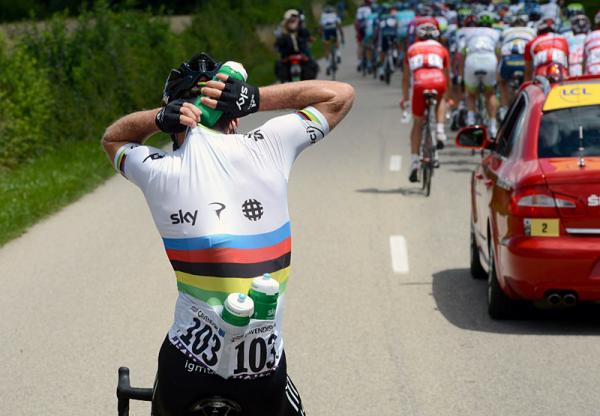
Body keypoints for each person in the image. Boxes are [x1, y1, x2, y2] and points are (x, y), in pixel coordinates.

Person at [101, 53, 354, 416]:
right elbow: (340, 95)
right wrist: (257, 98)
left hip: (187, 365)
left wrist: (154, 120)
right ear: (234, 118)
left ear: (175, 118)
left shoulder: (158, 170)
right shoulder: (269, 144)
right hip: (261, 370)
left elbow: (112, 139)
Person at [400, 22, 450, 182]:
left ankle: (414, 162)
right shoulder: (442, 49)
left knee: (417, 123)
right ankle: (441, 131)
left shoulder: (412, 49)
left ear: (418, 36)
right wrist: (448, 98)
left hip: (420, 83)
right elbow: (447, 77)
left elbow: (406, 78)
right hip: (437, 80)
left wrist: (406, 99)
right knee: (441, 98)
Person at [460, 11, 501, 136]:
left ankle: (471, 119)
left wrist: (462, 72)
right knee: (491, 94)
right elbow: (499, 53)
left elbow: (462, 52)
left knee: (471, 93)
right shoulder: (496, 32)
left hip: (472, 60)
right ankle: (493, 126)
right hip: (489, 60)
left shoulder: (468, 31)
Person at [497, 14, 534, 120]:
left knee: (501, 82)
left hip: (508, 59)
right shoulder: (531, 31)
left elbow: (498, 51)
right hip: (524, 59)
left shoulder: (505, 31)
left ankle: (504, 109)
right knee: (530, 82)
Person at [275, 9, 319, 82]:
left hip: (294, 57)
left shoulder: (298, 31)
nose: (292, 23)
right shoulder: (285, 34)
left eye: (293, 21)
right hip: (292, 57)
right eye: (290, 21)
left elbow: (277, 46)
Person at [320, 4, 345, 75]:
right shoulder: (334, 14)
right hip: (333, 28)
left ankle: (328, 65)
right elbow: (339, 26)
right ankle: (338, 55)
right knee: (336, 41)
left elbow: (321, 27)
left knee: (327, 48)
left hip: (326, 30)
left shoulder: (323, 15)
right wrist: (342, 36)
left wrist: (322, 37)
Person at [355, 0, 373, 70]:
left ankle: (359, 62)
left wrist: (357, 31)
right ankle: (369, 63)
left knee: (360, 45)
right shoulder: (369, 9)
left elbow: (356, 21)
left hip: (360, 28)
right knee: (368, 46)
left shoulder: (359, 9)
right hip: (367, 28)